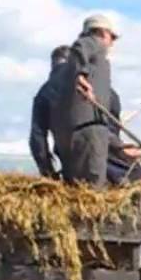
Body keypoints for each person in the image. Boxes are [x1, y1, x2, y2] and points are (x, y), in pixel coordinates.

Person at [52, 14, 118, 187]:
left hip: (76, 133)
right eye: (113, 37)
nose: (112, 43)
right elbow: (79, 47)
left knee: (77, 190)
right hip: (89, 132)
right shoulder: (94, 42)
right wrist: (80, 74)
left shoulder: (69, 73)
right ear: (103, 33)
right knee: (94, 190)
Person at [29, 45, 72, 179]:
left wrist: (48, 174)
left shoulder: (44, 93)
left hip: (70, 165)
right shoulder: (91, 85)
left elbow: (37, 139)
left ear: (52, 64)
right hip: (106, 161)